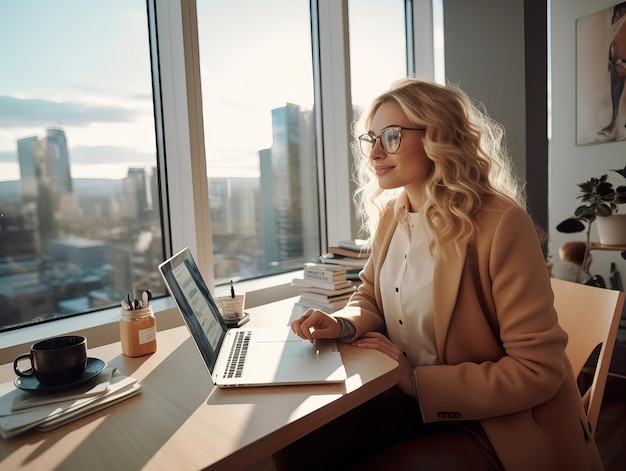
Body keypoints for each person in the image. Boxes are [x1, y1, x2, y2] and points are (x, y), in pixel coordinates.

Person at [272, 78, 603, 470]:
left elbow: (537, 371)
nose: (375, 152)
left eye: (392, 136)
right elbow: (370, 296)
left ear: (438, 136)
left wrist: (414, 381)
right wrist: (341, 324)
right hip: (412, 399)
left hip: (495, 422)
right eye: (371, 138)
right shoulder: (393, 218)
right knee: (296, 447)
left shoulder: (500, 224)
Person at [598, 2, 626, 139]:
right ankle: (615, 121)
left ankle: (616, 123)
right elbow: (612, 42)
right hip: (618, 62)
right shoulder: (618, 18)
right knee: (616, 76)